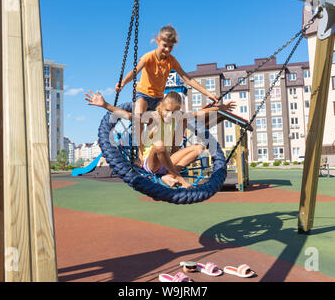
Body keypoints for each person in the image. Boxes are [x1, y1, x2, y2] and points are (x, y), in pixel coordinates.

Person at [85, 90, 235, 188]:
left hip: (168, 162)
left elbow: (200, 113)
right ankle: (177, 177)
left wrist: (221, 107)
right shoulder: (153, 118)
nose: (170, 115)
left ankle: (168, 176)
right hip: (152, 163)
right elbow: (130, 116)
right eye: (168, 111)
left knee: (198, 148)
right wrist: (105, 105)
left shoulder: (177, 117)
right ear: (161, 106)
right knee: (159, 144)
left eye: (174, 112)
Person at [115, 25, 220, 163]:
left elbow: (187, 78)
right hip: (144, 95)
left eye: (170, 47)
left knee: (170, 122)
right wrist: (122, 83)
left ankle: (172, 153)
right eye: (165, 45)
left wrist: (207, 93)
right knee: (139, 116)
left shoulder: (171, 60)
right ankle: (140, 154)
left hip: (159, 98)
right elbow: (134, 72)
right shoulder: (148, 57)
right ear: (157, 41)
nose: (167, 50)